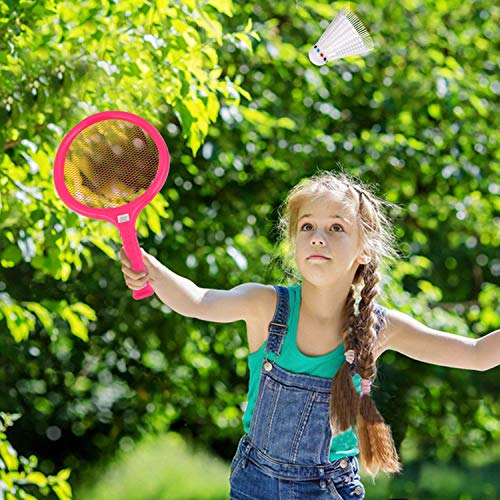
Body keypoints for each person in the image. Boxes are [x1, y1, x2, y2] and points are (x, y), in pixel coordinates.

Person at [119, 171, 499, 499]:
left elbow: (477, 355)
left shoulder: (378, 327)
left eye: (336, 227)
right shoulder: (265, 306)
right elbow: (198, 301)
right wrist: (154, 272)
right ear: (294, 242)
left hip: (329, 489)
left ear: (364, 250)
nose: (319, 237)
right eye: (307, 227)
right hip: (255, 484)